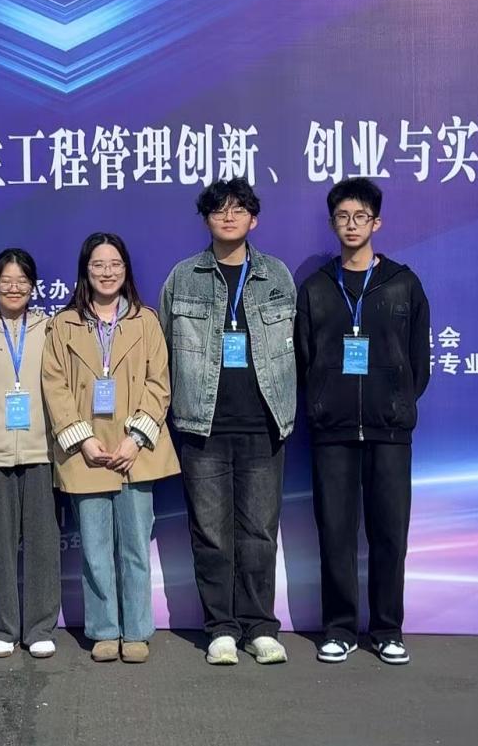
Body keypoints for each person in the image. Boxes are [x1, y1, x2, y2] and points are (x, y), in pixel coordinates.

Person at [158, 178, 297, 666]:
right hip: (202, 427)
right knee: (211, 534)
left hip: (263, 425)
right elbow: (163, 349)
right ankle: (220, 627)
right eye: (219, 210)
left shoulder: (276, 275)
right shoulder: (183, 277)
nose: (229, 217)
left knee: (259, 534)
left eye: (239, 209)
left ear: (253, 220)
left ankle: (259, 626)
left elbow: (296, 347)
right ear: (207, 219)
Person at [296, 179, 431, 666]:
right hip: (332, 430)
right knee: (335, 532)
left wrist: (393, 402)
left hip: (388, 430)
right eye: (342, 217)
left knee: (389, 534)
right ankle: (339, 628)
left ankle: (388, 629)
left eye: (360, 217)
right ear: (332, 223)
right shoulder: (316, 288)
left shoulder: (403, 283)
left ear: (377, 222)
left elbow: (419, 362)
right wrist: (324, 403)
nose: (351, 225)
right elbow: (304, 358)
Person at [41, 232, 180, 664]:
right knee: (96, 549)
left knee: (135, 546)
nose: (107, 272)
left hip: (135, 451)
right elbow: (54, 386)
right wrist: (82, 439)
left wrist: (135, 439)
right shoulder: (63, 324)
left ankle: (136, 630)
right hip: (87, 452)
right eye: (98, 264)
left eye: (115, 264)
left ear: (126, 269)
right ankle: (103, 630)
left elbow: (159, 384)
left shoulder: (146, 321)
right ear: (85, 270)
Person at [0, 248, 61, 659]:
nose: (14, 288)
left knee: (42, 544)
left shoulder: (50, 329)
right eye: (6, 281)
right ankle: (2, 627)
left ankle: (39, 627)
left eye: (22, 281)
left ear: (33, 286)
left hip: (41, 451)